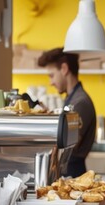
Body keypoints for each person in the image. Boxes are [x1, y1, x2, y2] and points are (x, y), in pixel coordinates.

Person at [38, 47, 96, 178]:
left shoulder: (80, 102)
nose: (51, 82)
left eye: (52, 75)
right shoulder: (71, 99)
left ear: (64, 69)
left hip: (73, 172)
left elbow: (69, 145)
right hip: (67, 169)